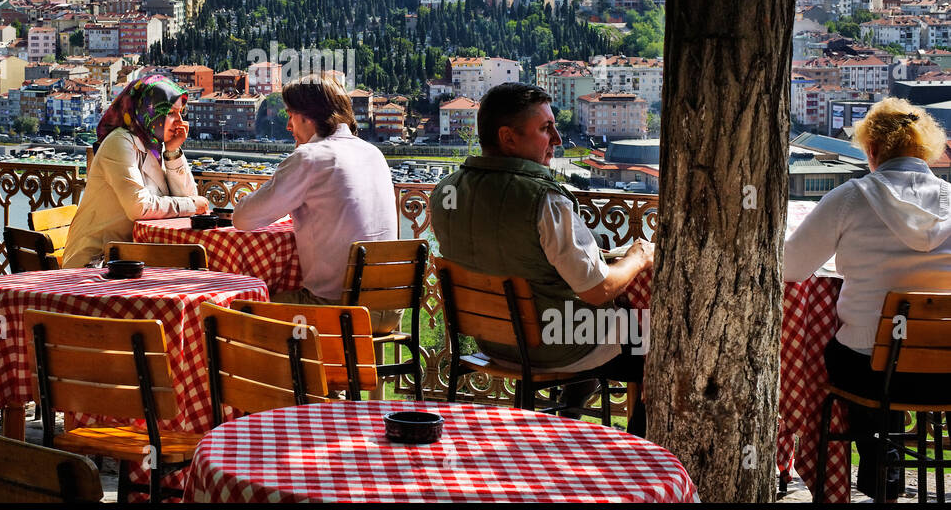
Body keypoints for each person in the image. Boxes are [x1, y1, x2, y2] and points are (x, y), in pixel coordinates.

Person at [429, 82, 654, 433]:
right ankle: (642, 456)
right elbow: (596, 291)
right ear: (508, 137)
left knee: (591, 321)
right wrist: (638, 257)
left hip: (491, 340)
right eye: (546, 129)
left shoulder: (446, 190)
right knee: (652, 339)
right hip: (552, 344)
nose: (558, 139)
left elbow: (510, 255)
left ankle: (566, 421)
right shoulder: (546, 201)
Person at [785, 97, 951, 501]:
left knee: (849, 351)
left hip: (870, 369)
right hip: (945, 368)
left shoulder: (849, 198)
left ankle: (874, 463)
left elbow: (790, 268)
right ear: (926, 149)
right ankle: (887, 471)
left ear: (872, 150)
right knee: (889, 354)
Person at [232, 75, 399, 328]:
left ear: (306, 116)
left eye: (290, 116)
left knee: (238, 312)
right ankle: (347, 369)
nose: (289, 126)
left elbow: (242, 219)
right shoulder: (372, 152)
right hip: (391, 309)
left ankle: (296, 369)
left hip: (340, 309)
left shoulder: (310, 157)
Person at [61, 74, 208, 268]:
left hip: (133, 258)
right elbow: (138, 207)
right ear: (148, 110)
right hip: (96, 261)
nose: (180, 121)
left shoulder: (156, 146)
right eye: (171, 113)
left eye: (181, 113)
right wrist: (191, 204)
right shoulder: (119, 142)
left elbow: (188, 200)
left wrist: (172, 153)